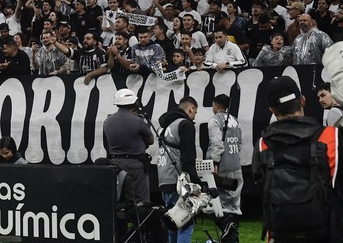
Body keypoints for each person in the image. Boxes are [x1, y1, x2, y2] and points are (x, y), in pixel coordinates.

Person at [252, 75, 343, 243]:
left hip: (282, 234)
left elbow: (261, 186)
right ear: (302, 100)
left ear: (272, 110)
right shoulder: (332, 138)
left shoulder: (262, 145)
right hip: (329, 233)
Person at [156, 95, 203, 243]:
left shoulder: (163, 126)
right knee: (185, 223)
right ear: (191, 108)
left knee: (173, 224)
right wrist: (195, 184)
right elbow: (188, 159)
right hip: (179, 182)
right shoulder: (185, 124)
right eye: (195, 113)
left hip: (164, 179)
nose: (194, 116)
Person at [102, 88, 154, 206]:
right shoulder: (138, 121)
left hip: (116, 163)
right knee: (141, 199)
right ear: (134, 103)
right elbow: (151, 140)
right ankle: (141, 222)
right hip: (136, 164)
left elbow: (107, 143)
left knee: (119, 197)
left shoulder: (107, 121)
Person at [206, 93, 242, 243]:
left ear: (217, 105)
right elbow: (239, 143)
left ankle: (228, 227)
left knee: (213, 204)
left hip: (222, 167)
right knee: (234, 206)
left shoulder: (215, 120)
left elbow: (217, 143)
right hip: (236, 166)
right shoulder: (236, 120)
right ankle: (233, 237)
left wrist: (214, 162)